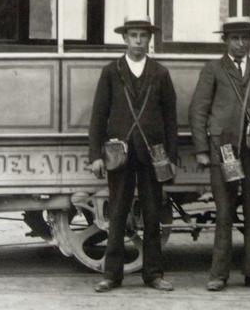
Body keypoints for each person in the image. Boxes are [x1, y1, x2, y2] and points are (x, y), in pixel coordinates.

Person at [189, 16, 250, 291]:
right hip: (223, 151)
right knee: (224, 213)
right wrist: (200, 150)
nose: (241, 43)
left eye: (245, 38)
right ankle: (218, 275)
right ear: (225, 41)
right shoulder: (213, 69)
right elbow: (198, 111)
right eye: (235, 38)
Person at [88, 16, 179, 293]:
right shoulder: (111, 71)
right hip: (119, 153)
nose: (139, 41)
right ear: (124, 39)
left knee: (152, 215)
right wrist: (96, 155)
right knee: (117, 213)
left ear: (149, 39)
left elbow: (170, 119)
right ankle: (111, 276)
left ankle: (153, 274)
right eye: (134, 35)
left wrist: (171, 158)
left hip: (153, 154)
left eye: (143, 35)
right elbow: (98, 116)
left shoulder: (161, 72)